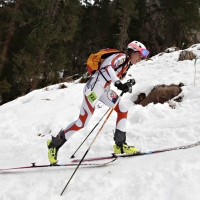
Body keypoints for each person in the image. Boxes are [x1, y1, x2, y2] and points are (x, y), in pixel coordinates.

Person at [47, 41, 149, 164]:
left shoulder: (126, 63)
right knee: (82, 122)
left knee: (123, 109)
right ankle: (54, 144)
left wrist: (126, 84)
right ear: (133, 51)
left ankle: (120, 145)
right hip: (93, 90)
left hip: (104, 90)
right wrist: (117, 83)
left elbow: (112, 75)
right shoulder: (122, 56)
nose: (141, 58)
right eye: (139, 55)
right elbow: (108, 67)